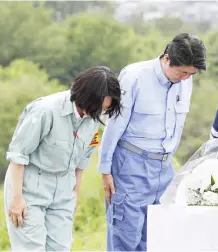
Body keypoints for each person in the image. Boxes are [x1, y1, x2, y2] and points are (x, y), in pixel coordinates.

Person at [98, 33, 207, 251]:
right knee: (125, 238)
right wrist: (105, 170)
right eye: (182, 72)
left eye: (191, 73)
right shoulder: (134, 76)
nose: (186, 77)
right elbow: (114, 125)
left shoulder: (186, 81)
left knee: (157, 238)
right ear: (167, 59)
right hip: (131, 166)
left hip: (164, 169)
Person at [4, 66, 122, 251]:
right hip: (30, 187)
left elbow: (81, 163)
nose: (101, 112)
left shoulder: (92, 120)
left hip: (64, 190)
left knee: (60, 248)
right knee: (31, 248)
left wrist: (74, 195)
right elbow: (18, 156)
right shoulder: (45, 110)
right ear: (86, 97)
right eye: (99, 107)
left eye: (106, 108)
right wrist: (16, 199)